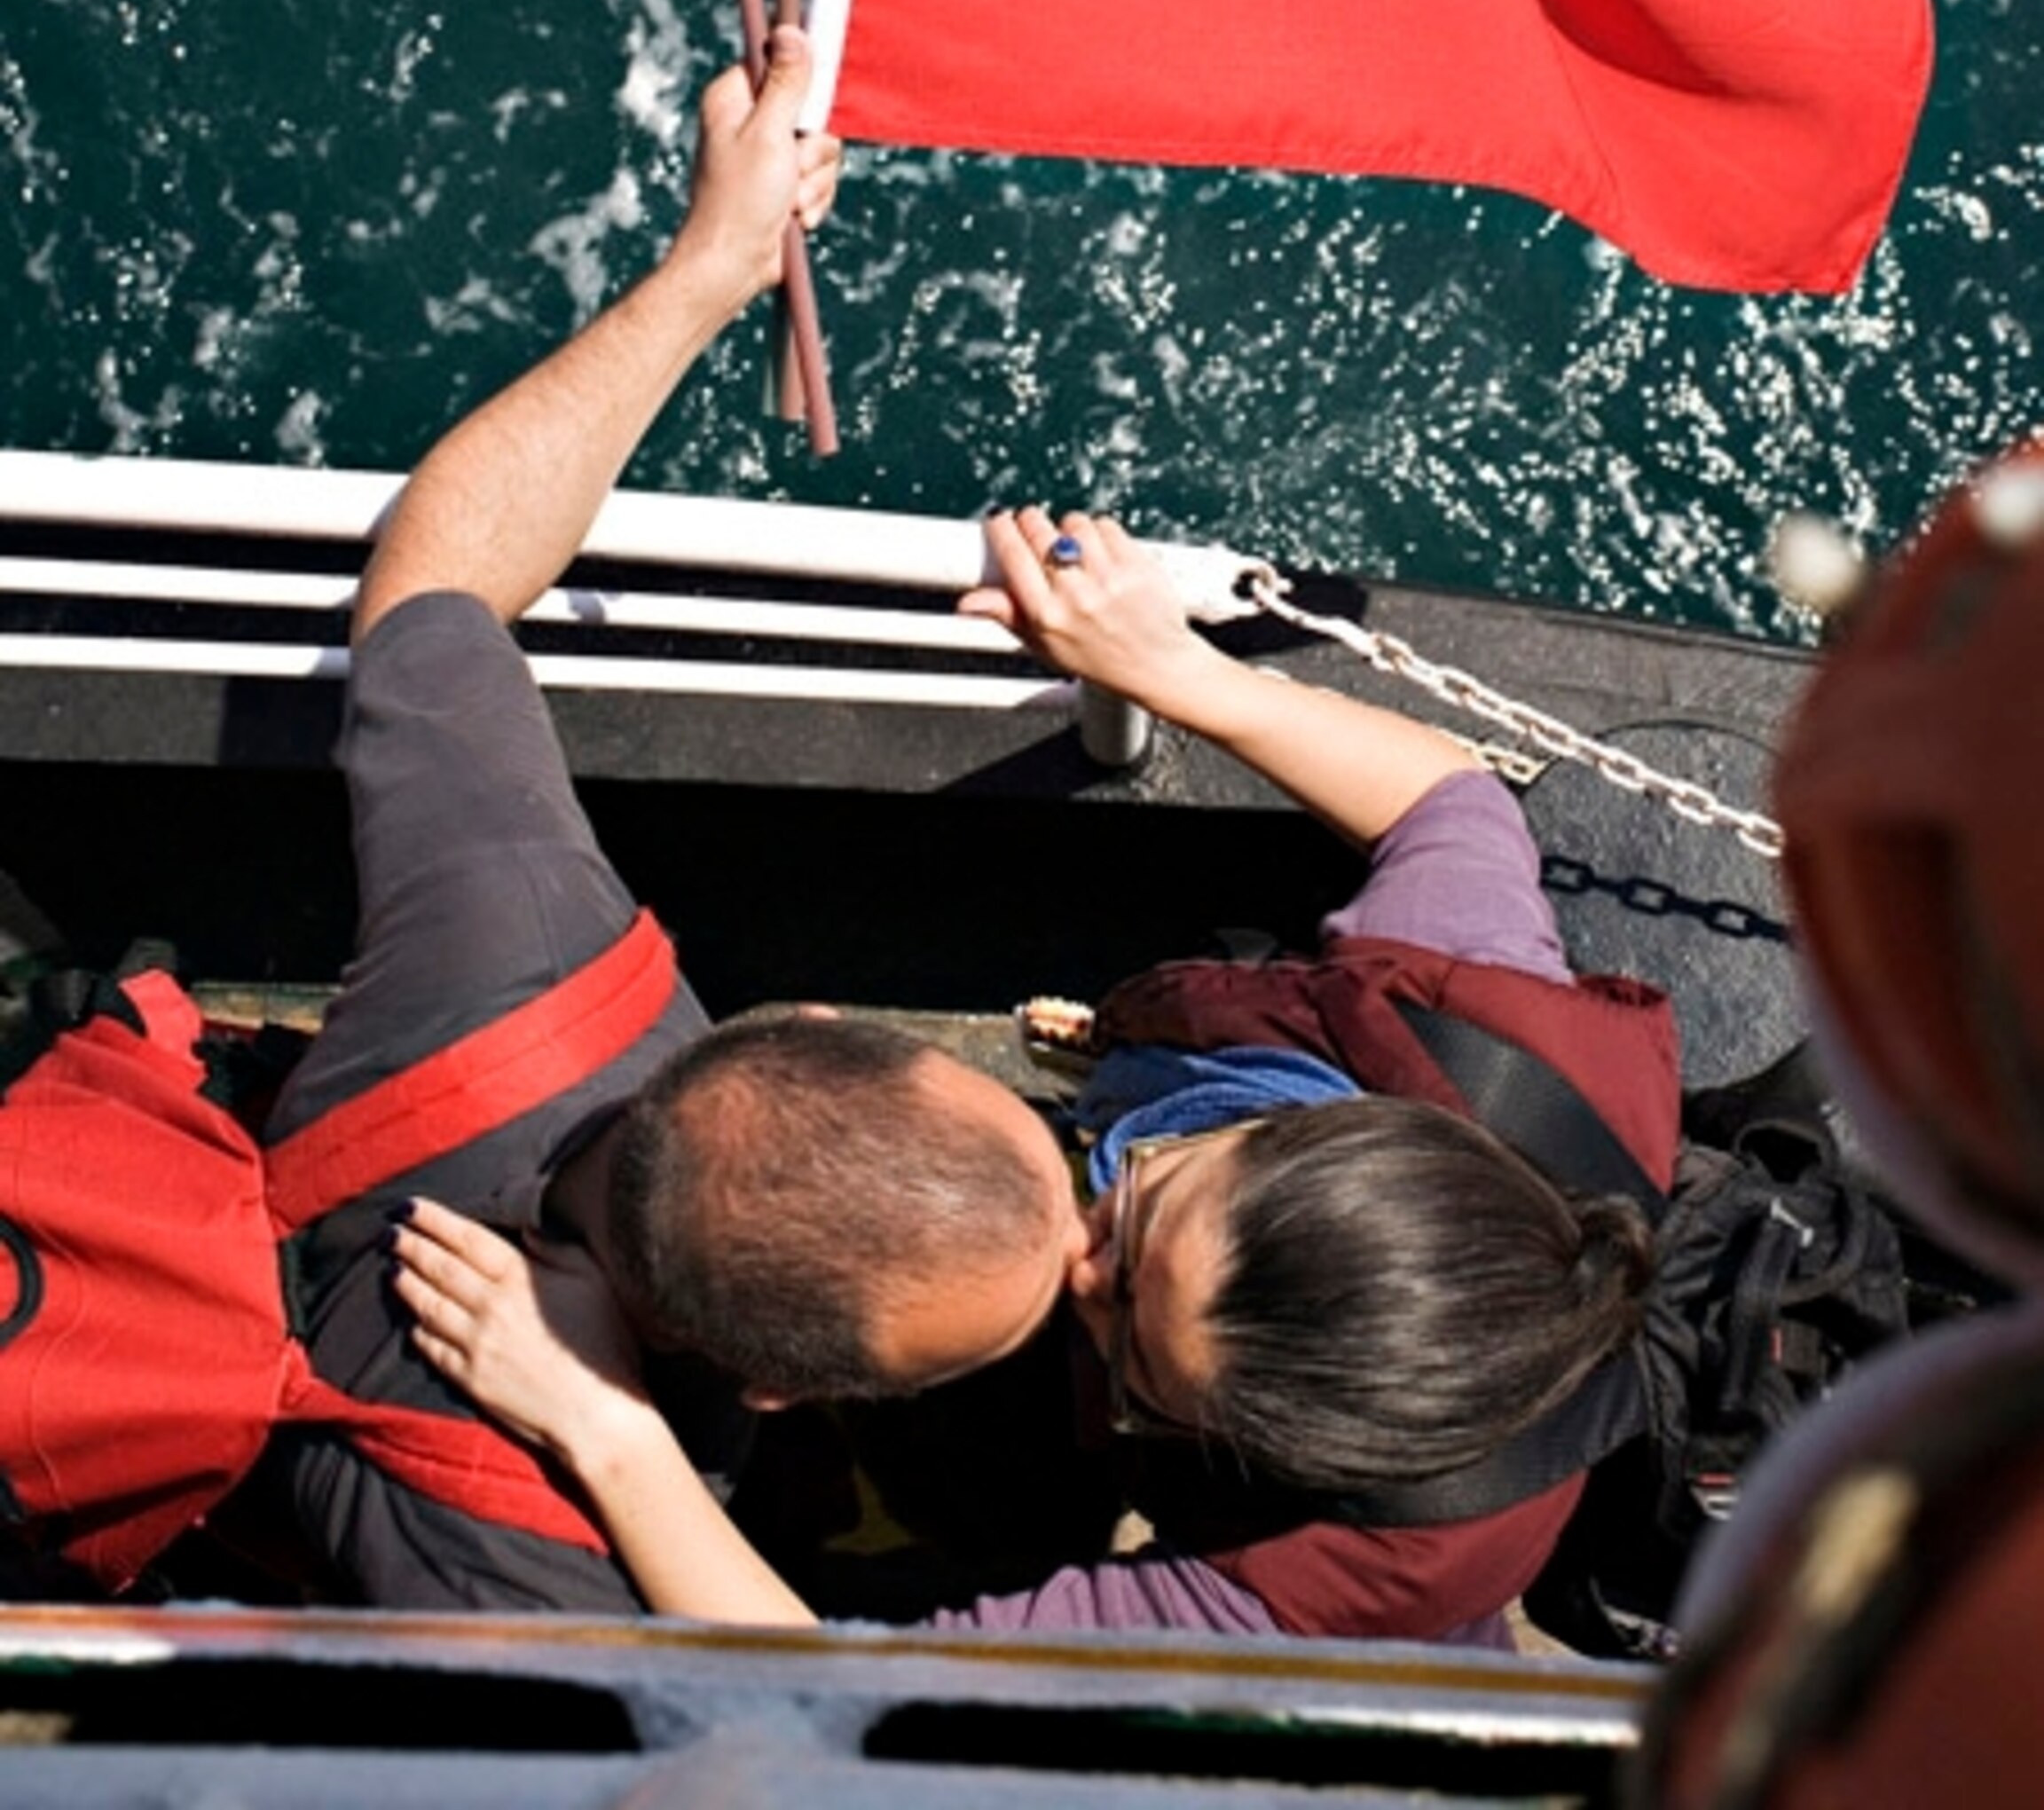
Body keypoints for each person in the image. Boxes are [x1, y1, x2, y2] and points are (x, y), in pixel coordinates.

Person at [391, 506, 1680, 1641]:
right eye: (1152, 1191)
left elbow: (847, 1712)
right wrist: (1172, 671)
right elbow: (1453, 804)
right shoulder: (1499, 1050)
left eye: (1125, 1332)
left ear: (1242, 1447)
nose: (1073, 1262)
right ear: (1326, 1134)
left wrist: (604, 1423)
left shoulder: (1359, 1564)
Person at [240, 26, 869, 1613]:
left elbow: (439, 586)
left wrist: (710, 268)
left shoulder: (523, 944)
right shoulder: (534, 1572)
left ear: (796, 1026)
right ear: (779, 1396)